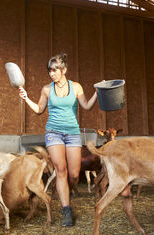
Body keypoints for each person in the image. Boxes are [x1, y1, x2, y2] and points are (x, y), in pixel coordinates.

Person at [18, 53, 97, 227]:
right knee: (61, 170)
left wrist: (98, 93)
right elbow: (39, 109)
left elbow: (87, 106)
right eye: (50, 71)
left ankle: (65, 191)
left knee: (74, 174)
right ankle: (66, 209)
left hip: (73, 134)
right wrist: (26, 99)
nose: (51, 74)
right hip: (54, 133)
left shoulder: (76, 87)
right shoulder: (47, 89)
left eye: (55, 70)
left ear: (64, 70)